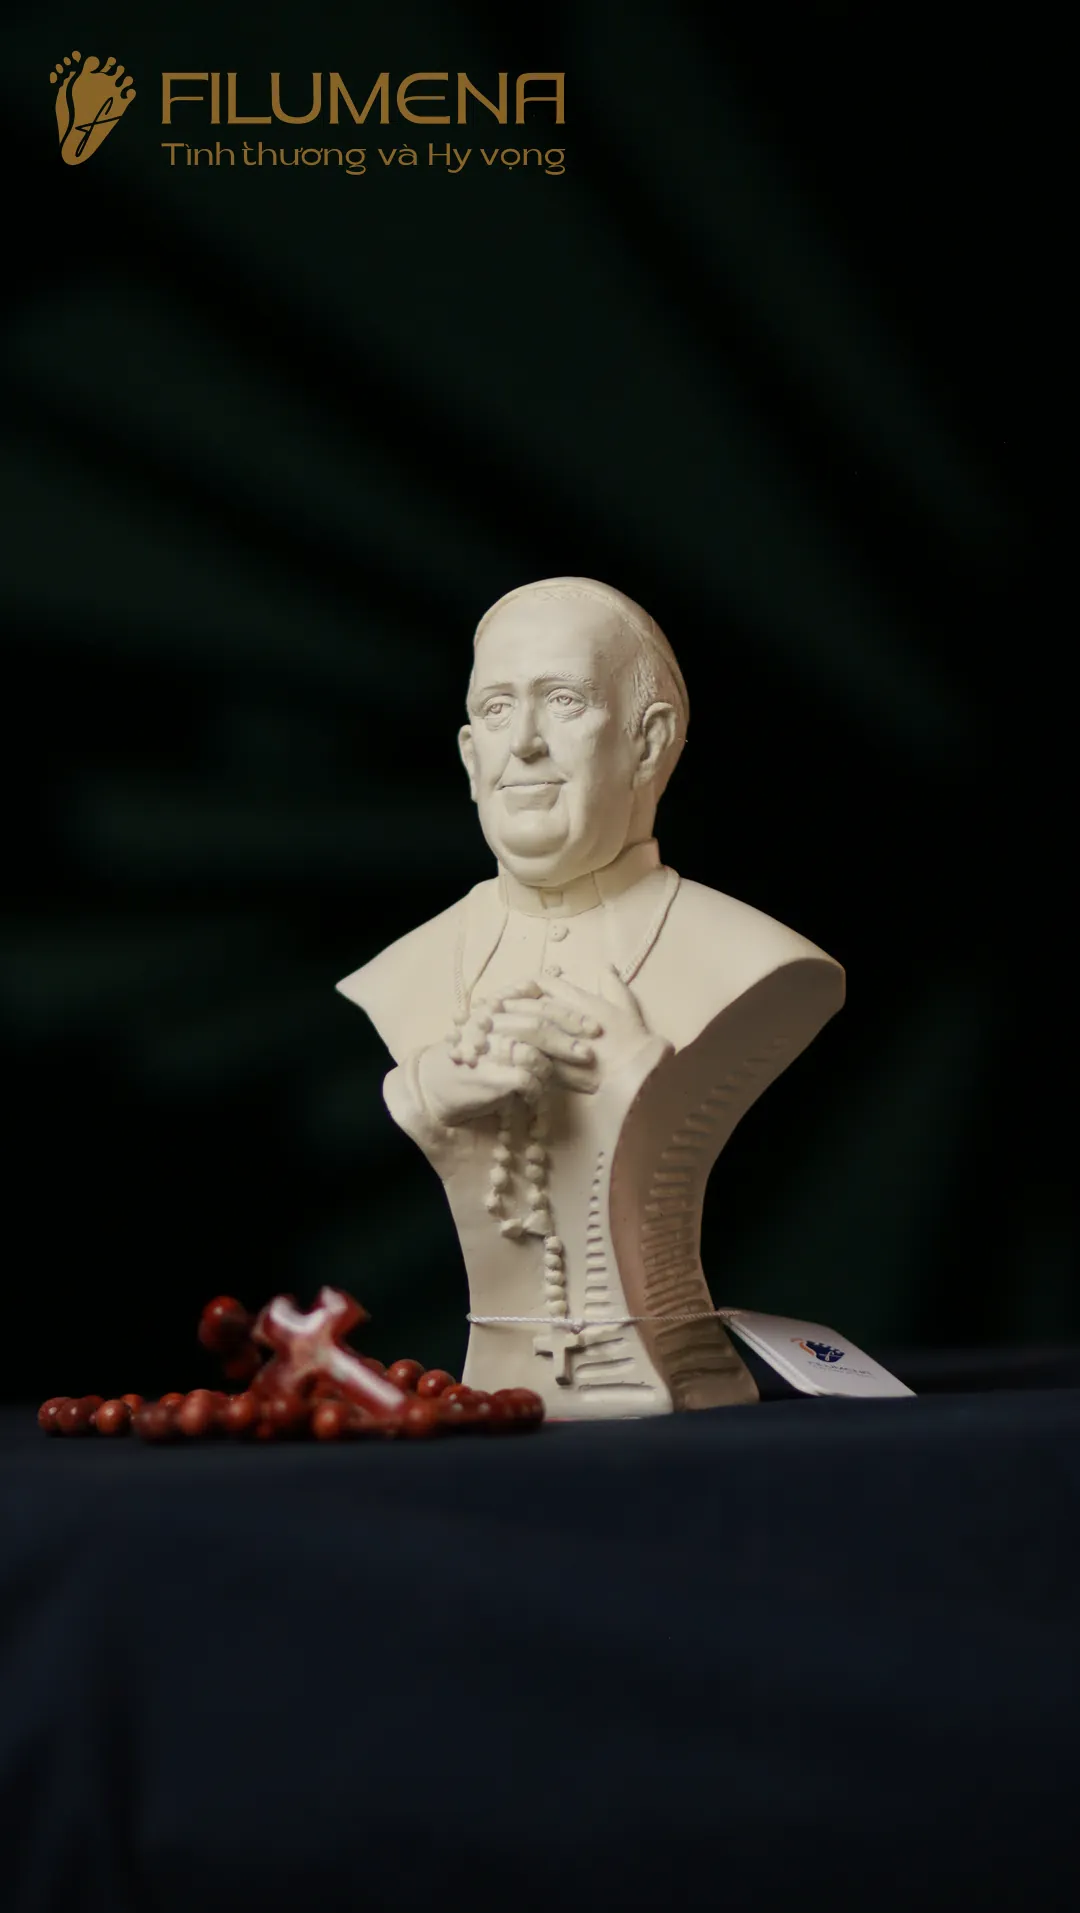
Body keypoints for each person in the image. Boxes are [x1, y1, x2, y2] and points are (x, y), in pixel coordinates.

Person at [337, 578, 845, 1416]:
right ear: (469, 756)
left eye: (563, 701)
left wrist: (637, 1077)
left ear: (650, 743)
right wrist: (424, 1090)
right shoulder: (409, 968)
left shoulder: (758, 960)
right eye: (496, 709)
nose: (523, 742)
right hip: (497, 1389)